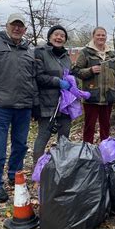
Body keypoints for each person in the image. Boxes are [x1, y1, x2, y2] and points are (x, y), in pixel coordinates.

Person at [0, 13, 40, 203]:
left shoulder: (29, 50)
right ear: (7, 25)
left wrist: (35, 103)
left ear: (25, 29)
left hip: (24, 107)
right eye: (14, 25)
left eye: (21, 26)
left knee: (20, 145)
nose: (17, 29)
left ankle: (14, 176)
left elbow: (32, 79)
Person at [71, 26, 115, 143]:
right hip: (91, 97)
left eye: (103, 35)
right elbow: (76, 71)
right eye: (98, 35)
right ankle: (87, 151)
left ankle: (105, 149)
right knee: (89, 126)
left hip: (108, 96)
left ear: (106, 37)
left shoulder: (112, 55)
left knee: (106, 126)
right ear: (93, 37)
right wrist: (90, 70)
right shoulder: (85, 52)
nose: (101, 37)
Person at [32, 25, 72, 164]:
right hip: (47, 103)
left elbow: (69, 74)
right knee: (43, 136)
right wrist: (58, 82)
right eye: (56, 34)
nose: (59, 37)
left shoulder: (66, 56)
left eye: (62, 35)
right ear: (49, 37)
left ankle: (62, 166)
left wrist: (73, 85)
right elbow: (38, 76)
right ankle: (37, 168)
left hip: (65, 104)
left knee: (64, 137)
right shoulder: (40, 52)